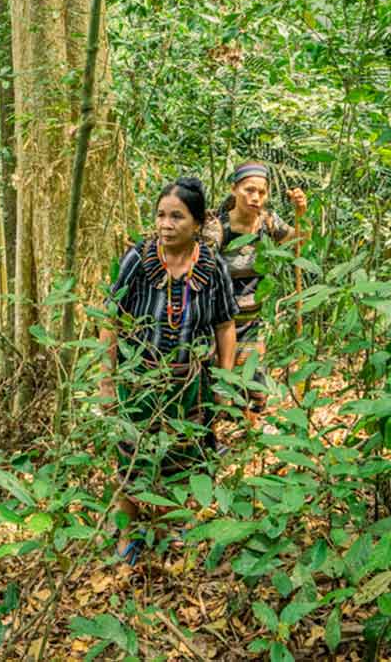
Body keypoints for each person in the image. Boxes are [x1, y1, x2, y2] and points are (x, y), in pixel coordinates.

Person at [98, 177, 238, 563]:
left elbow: (225, 326)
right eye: (161, 215)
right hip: (139, 381)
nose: (166, 224)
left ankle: (170, 531)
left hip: (191, 385)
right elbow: (111, 320)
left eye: (177, 216)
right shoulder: (138, 260)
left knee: (184, 458)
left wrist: (225, 382)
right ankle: (126, 535)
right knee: (132, 459)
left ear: (197, 223)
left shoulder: (212, 267)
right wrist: (107, 382)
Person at [203, 162, 306, 407]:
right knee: (217, 386)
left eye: (261, 192)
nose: (255, 197)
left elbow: (297, 241)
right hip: (219, 322)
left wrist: (301, 214)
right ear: (234, 190)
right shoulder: (218, 227)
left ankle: (249, 439)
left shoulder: (267, 222)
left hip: (252, 321)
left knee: (255, 391)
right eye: (249, 190)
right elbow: (203, 269)